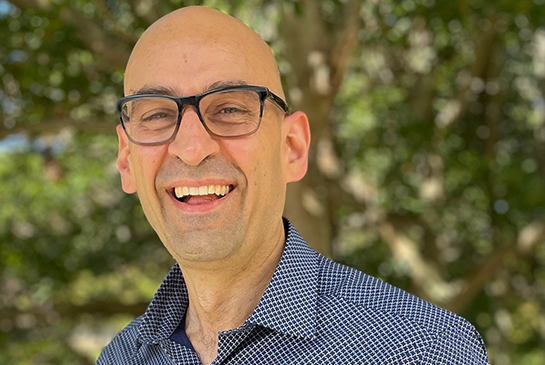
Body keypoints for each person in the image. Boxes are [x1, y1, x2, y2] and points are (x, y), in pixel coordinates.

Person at [96, 6, 489, 365]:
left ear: (292, 147)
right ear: (126, 160)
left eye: (230, 109)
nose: (192, 147)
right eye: (157, 115)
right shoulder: (119, 358)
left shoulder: (422, 349)